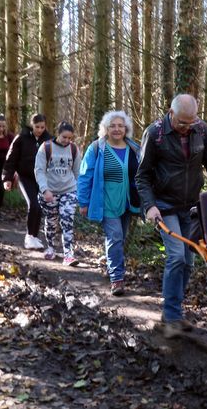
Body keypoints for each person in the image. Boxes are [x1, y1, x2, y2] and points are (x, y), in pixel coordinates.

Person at [135, 93, 207, 338]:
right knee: (177, 256)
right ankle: (170, 316)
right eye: (182, 122)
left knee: (189, 262)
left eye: (191, 122)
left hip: (191, 206)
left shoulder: (202, 130)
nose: (186, 127)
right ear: (171, 113)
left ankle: (174, 312)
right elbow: (142, 175)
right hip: (164, 205)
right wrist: (149, 206)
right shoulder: (155, 133)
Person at [78, 111, 141, 295]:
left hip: (129, 202)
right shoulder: (97, 148)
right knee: (115, 237)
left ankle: (114, 267)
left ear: (126, 128)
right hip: (105, 200)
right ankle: (117, 279)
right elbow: (85, 175)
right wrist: (83, 201)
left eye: (120, 125)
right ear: (106, 128)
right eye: (112, 125)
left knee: (120, 238)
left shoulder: (135, 149)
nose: (117, 129)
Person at [34, 121, 81, 266]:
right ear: (57, 134)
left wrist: (80, 191)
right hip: (50, 191)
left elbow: (78, 172)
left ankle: (69, 254)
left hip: (69, 190)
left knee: (67, 220)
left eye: (69, 138)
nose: (67, 141)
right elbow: (39, 170)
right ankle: (51, 247)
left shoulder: (74, 149)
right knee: (52, 222)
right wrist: (45, 189)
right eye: (64, 137)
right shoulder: (46, 148)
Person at [2, 114, 52, 249]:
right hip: (25, 176)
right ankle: (29, 236)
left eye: (42, 127)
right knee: (33, 204)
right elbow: (11, 159)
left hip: (41, 178)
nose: (40, 130)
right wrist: (7, 178)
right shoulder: (21, 138)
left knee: (40, 206)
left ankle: (34, 236)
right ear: (32, 125)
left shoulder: (49, 140)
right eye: (37, 127)